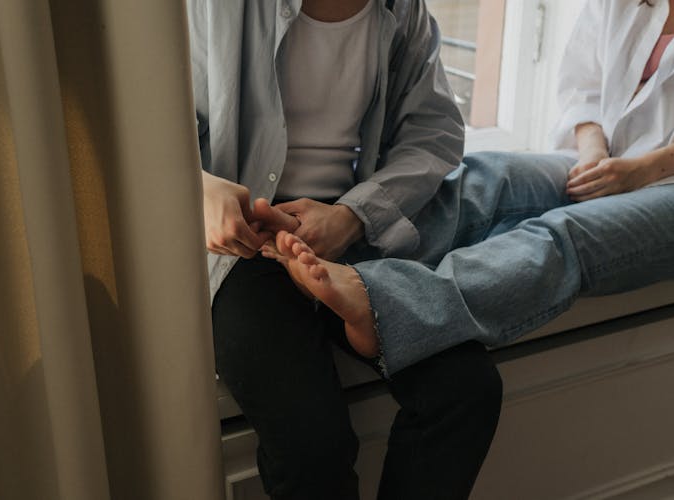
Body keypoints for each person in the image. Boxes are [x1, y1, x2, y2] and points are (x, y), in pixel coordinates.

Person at [188, 1, 502, 499]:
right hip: (244, 250)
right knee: (313, 447)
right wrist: (201, 187)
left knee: (466, 392)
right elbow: (150, 120)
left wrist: (352, 217)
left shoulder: (403, 10)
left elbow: (433, 133)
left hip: (352, 234)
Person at [262, 0, 674, 377]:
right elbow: (583, 86)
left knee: (566, 233)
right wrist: (593, 149)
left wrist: (643, 169)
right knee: (487, 177)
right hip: (612, 157)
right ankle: (339, 253)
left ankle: (381, 303)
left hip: (664, 182)